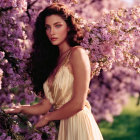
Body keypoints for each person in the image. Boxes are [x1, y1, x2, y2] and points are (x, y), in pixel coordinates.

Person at [5, 3, 104, 140]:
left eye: (57, 25)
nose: (52, 32)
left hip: (80, 124)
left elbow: (78, 103)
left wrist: (48, 118)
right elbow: (45, 105)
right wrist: (21, 109)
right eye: (48, 27)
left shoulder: (77, 53)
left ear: (68, 27)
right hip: (66, 125)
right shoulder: (54, 60)